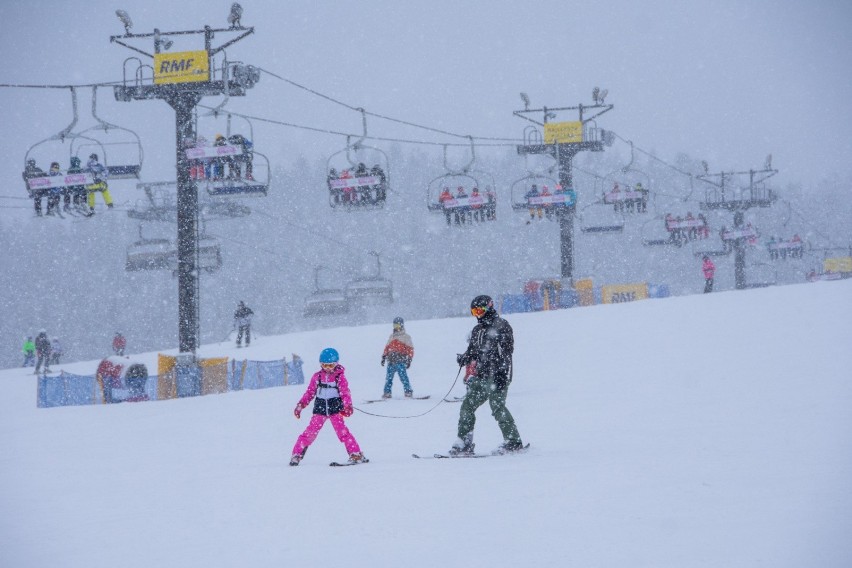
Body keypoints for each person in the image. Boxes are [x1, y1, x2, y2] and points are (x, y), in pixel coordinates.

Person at [451, 295, 524, 456]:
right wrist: (465, 358)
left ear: (489, 307)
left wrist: (501, 374)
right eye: (474, 312)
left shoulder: (501, 325)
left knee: (497, 407)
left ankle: (513, 441)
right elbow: (473, 351)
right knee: (467, 407)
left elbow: (507, 352)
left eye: (480, 310)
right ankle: (464, 442)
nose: (477, 314)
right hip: (481, 376)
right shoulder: (477, 330)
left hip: (498, 376)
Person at [289, 348, 367, 466]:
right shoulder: (317, 377)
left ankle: (355, 453)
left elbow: (345, 393)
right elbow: (309, 393)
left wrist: (347, 405)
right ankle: (297, 454)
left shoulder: (339, 377)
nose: (327, 368)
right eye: (324, 365)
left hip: (335, 409)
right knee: (310, 432)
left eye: (330, 365)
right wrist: (301, 405)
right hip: (320, 409)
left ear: (336, 364)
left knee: (343, 432)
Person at [380, 317, 415, 398]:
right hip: (391, 361)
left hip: (400, 361)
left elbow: (410, 349)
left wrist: (409, 359)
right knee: (388, 379)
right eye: (395, 325)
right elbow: (387, 348)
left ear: (401, 325)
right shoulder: (391, 336)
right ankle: (387, 393)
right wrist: (384, 357)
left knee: (404, 377)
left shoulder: (406, 337)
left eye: (398, 325)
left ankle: (408, 391)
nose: (396, 327)